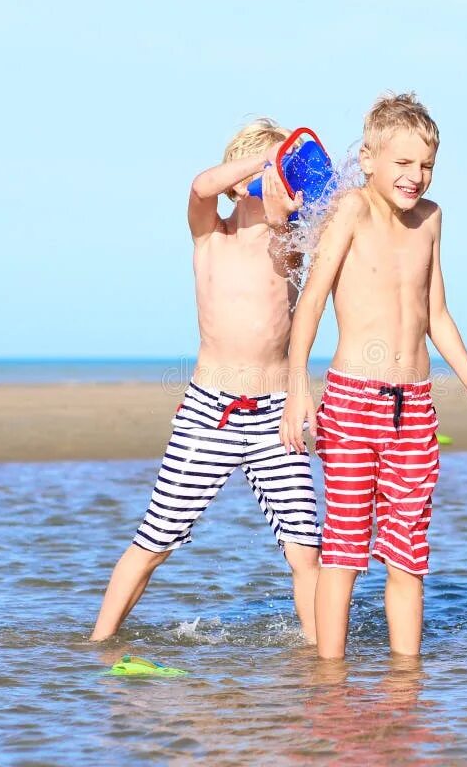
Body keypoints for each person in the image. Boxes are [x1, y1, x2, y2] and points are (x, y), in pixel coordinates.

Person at [280, 93, 467, 659]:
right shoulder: (352, 210)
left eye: (425, 165)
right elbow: (311, 302)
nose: (415, 177)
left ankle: (408, 687)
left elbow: (437, 315)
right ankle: (330, 680)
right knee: (345, 551)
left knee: (408, 555)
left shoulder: (431, 219)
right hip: (353, 402)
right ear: (370, 159)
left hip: (416, 408)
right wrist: (297, 390)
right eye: (402, 163)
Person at [91, 120, 321, 643]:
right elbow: (200, 187)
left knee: (305, 549)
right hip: (209, 412)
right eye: (271, 173)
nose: (281, 184)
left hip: (275, 412)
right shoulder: (209, 236)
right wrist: (262, 167)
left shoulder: (291, 243)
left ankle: (319, 658)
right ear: (242, 182)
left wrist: (302, 392)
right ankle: (99, 642)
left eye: (284, 173)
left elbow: (299, 315)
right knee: (156, 539)